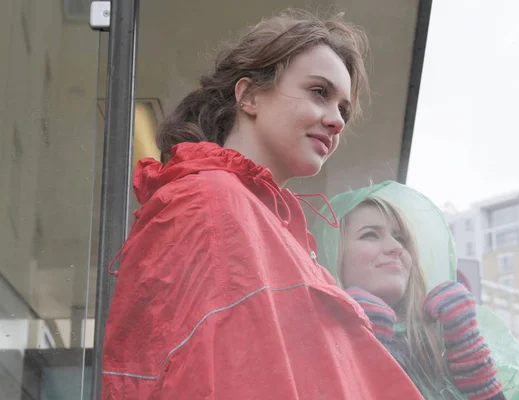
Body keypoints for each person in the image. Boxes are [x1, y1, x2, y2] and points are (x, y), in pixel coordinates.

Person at [101, 10, 424, 400]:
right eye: (319, 92)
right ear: (249, 95)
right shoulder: (211, 201)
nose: (337, 121)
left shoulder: (267, 226)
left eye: (343, 108)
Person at [311, 180, 519, 400]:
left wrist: (476, 370)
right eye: (370, 235)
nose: (396, 248)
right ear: (332, 252)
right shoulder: (308, 338)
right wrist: (365, 346)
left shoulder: (442, 341)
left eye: (400, 238)